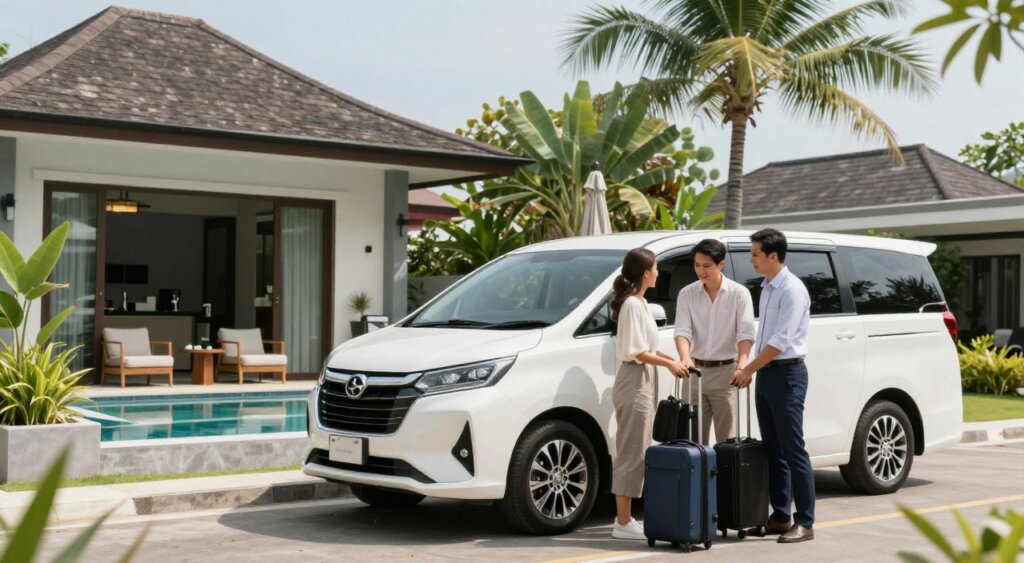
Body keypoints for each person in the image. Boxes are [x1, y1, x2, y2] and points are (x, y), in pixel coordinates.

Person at [731, 228, 816, 544]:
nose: (751, 259)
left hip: (787, 374)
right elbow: (764, 336)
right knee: (774, 450)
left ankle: (805, 522)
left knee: (794, 450)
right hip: (768, 374)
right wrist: (754, 368)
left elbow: (780, 341)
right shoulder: (767, 288)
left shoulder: (792, 290)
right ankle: (781, 517)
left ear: (773, 256)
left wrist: (748, 368)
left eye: (755, 254)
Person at [610, 248, 689, 540]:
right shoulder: (632, 304)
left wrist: (673, 361)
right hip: (634, 379)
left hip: (643, 377)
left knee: (640, 448)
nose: (658, 272)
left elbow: (648, 348)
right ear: (646, 272)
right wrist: (669, 363)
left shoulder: (641, 303)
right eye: (656, 268)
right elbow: (635, 351)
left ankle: (627, 518)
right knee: (631, 450)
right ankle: (622, 521)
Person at [674, 239, 756, 445]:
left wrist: (743, 365)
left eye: (706, 266)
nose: (700, 271)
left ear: (720, 265)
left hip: (726, 373)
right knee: (692, 440)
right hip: (694, 374)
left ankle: (725, 479)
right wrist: (685, 358)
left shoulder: (739, 294)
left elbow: (745, 333)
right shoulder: (687, 294)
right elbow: (683, 331)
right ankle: (698, 479)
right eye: (696, 265)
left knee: (727, 441)